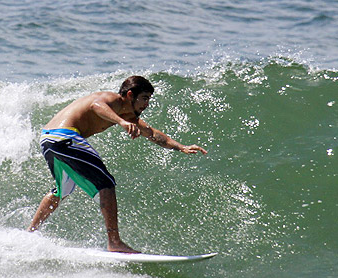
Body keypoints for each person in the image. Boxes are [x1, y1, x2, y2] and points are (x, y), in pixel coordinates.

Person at [27, 75, 207, 253]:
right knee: (106, 184)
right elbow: (96, 105)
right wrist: (120, 121)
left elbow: (152, 134)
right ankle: (114, 242)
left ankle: (31, 233)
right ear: (130, 95)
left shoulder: (128, 115)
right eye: (144, 99)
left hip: (49, 139)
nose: (147, 104)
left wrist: (181, 147)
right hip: (65, 136)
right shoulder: (112, 99)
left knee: (62, 189)